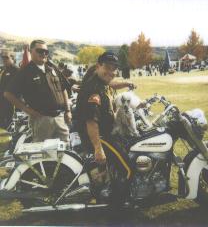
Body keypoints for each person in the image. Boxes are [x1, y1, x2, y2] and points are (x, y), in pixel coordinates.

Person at [76, 52, 133, 207]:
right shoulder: (93, 89)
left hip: (106, 133)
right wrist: (98, 148)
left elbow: (111, 83)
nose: (111, 71)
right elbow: (91, 121)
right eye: (108, 67)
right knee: (128, 169)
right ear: (98, 66)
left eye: (114, 68)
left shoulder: (100, 81)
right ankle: (117, 206)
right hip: (100, 136)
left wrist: (127, 84)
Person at [4, 40, 71, 142]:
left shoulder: (52, 68)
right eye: (40, 50)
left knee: (65, 152)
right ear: (31, 51)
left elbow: (63, 89)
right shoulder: (25, 71)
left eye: (46, 51)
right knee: (43, 154)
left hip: (60, 118)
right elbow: (8, 94)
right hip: (41, 119)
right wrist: (27, 110)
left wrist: (68, 110)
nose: (43, 53)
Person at [0, 51, 19, 129]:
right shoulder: (4, 70)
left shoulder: (16, 70)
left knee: (8, 125)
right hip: (2, 102)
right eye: (3, 58)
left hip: (10, 103)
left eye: (7, 58)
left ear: (13, 59)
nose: (4, 60)